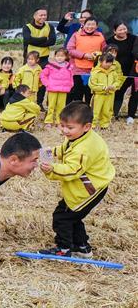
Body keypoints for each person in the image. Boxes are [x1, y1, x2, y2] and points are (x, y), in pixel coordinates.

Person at [38, 102, 113, 258]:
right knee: (74, 215)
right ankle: (82, 247)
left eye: (70, 127)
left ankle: (63, 249)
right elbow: (65, 149)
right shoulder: (79, 137)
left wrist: (52, 169)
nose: (65, 130)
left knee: (62, 216)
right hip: (91, 185)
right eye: (62, 125)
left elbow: (73, 171)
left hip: (89, 189)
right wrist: (51, 152)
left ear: (86, 126)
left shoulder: (83, 148)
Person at [22, 8, 57, 110]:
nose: (43, 17)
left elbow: (52, 41)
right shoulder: (27, 27)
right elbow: (28, 40)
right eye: (40, 15)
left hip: (44, 58)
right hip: (30, 59)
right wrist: (43, 39)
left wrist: (35, 41)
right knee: (28, 80)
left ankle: (39, 103)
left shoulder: (49, 26)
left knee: (43, 81)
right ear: (35, 16)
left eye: (45, 15)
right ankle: (26, 102)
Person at [66, 16, 106, 104]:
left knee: (90, 93)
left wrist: (98, 55)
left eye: (93, 24)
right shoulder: (76, 35)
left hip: (94, 70)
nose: (90, 27)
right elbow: (70, 49)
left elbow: (105, 51)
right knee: (77, 93)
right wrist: (84, 55)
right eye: (88, 24)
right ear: (83, 25)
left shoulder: (100, 36)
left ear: (96, 26)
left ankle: (88, 113)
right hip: (77, 69)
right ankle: (77, 112)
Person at [106, 21, 137, 123]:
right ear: (114, 31)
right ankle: (114, 114)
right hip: (117, 72)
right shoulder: (109, 41)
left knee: (135, 93)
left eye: (124, 29)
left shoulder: (133, 38)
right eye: (120, 29)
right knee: (118, 93)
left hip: (133, 71)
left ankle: (131, 116)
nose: (123, 31)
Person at [88, 53, 123, 129]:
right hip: (99, 95)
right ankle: (92, 125)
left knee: (107, 111)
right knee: (95, 111)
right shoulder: (95, 72)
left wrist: (114, 86)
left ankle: (105, 125)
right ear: (100, 61)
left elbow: (117, 81)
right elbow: (92, 85)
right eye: (107, 62)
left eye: (110, 62)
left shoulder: (113, 72)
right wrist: (103, 88)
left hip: (110, 95)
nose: (109, 64)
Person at [40, 48, 74, 126]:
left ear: (66, 57)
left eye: (62, 56)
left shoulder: (68, 66)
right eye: (57, 55)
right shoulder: (51, 66)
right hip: (52, 89)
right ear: (55, 56)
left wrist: (71, 84)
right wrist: (47, 83)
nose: (59, 57)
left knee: (61, 106)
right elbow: (43, 75)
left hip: (64, 89)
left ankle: (59, 121)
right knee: (51, 106)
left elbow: (71, 76)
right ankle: (49, 121)